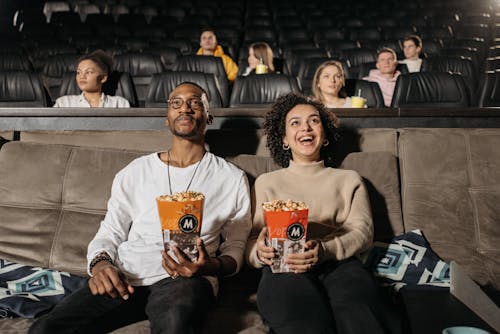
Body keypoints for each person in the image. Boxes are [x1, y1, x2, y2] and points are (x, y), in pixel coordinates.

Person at [29, 82, 252, 334]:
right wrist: (101, 265)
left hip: (185, 280)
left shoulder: (231, 178)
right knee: (44, 329)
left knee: (175, 325)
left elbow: (236, 249)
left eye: (195, 102)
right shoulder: (136, 171)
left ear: (208, 116)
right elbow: (110, 231)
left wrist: (208, 266)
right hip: (126, 275)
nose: (184, 109)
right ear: (167, 119)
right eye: (175, 103)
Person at [246, 93, 390, 334]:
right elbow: (250, 242)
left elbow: (363, 232)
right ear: (284, 139)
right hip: (284, 267)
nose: (306, 128)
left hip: (339, 264)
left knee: (359, 312)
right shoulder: (265, 183)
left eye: (314, 121)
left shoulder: (348, 179)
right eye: (295, 123)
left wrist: (325, 250)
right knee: (301, 320)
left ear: (324, 136)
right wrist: (259, 253)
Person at [53, 49, 130, 108]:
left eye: (88, 72)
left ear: (103, 78)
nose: (82, 76)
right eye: (79, 72)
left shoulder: (120, 104)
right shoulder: (64, 103)